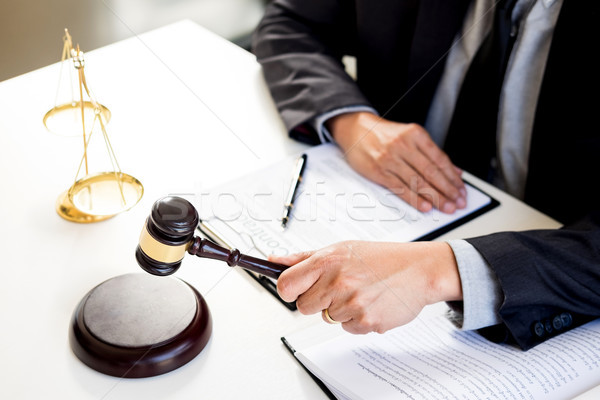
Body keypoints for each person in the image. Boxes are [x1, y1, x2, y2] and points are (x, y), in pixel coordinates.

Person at [251, 0, 600, 350]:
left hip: (549, 266)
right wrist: (352, 122)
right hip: (394, 206)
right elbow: (290, 21)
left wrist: (437, 271)